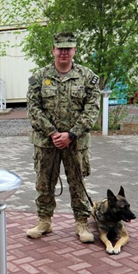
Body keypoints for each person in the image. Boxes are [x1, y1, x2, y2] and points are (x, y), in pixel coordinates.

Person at [26, 32, 101, 242]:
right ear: (53, 51)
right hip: (46, 142)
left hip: (75, 143)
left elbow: (92, 109)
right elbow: (33, 109)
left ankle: (82, 223)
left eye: (68, 49)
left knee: (78, 183)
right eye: (60, 49)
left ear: (74, 51)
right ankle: (44, 221)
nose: (64, 53)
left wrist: (71, 134)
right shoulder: (39, 77)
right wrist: (53, 133)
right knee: (44, 182)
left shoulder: (87, 77)